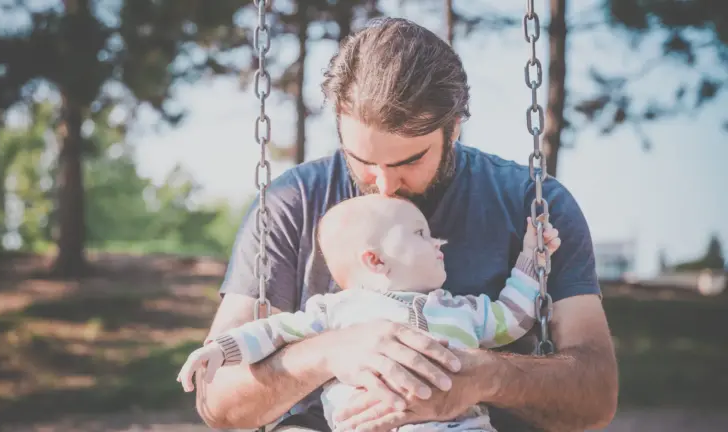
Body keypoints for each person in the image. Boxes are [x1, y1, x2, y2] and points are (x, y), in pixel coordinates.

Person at [196, 17, 618, 432]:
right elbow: (217, 400)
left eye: (410, 161)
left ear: (454, 128)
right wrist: (328, 351)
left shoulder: (533, 204)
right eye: (362, 161)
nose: (383, 185)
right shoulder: (293, 203)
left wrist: (483, 376)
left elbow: (597, 396)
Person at [178, 195, 561, 432]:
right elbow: (273, 331)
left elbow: (512, 318)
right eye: (421, 234)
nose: (438, 242)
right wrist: (221, 349)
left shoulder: (462, 309)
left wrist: (532, 259)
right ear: (375, 260)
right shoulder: (336, 311)